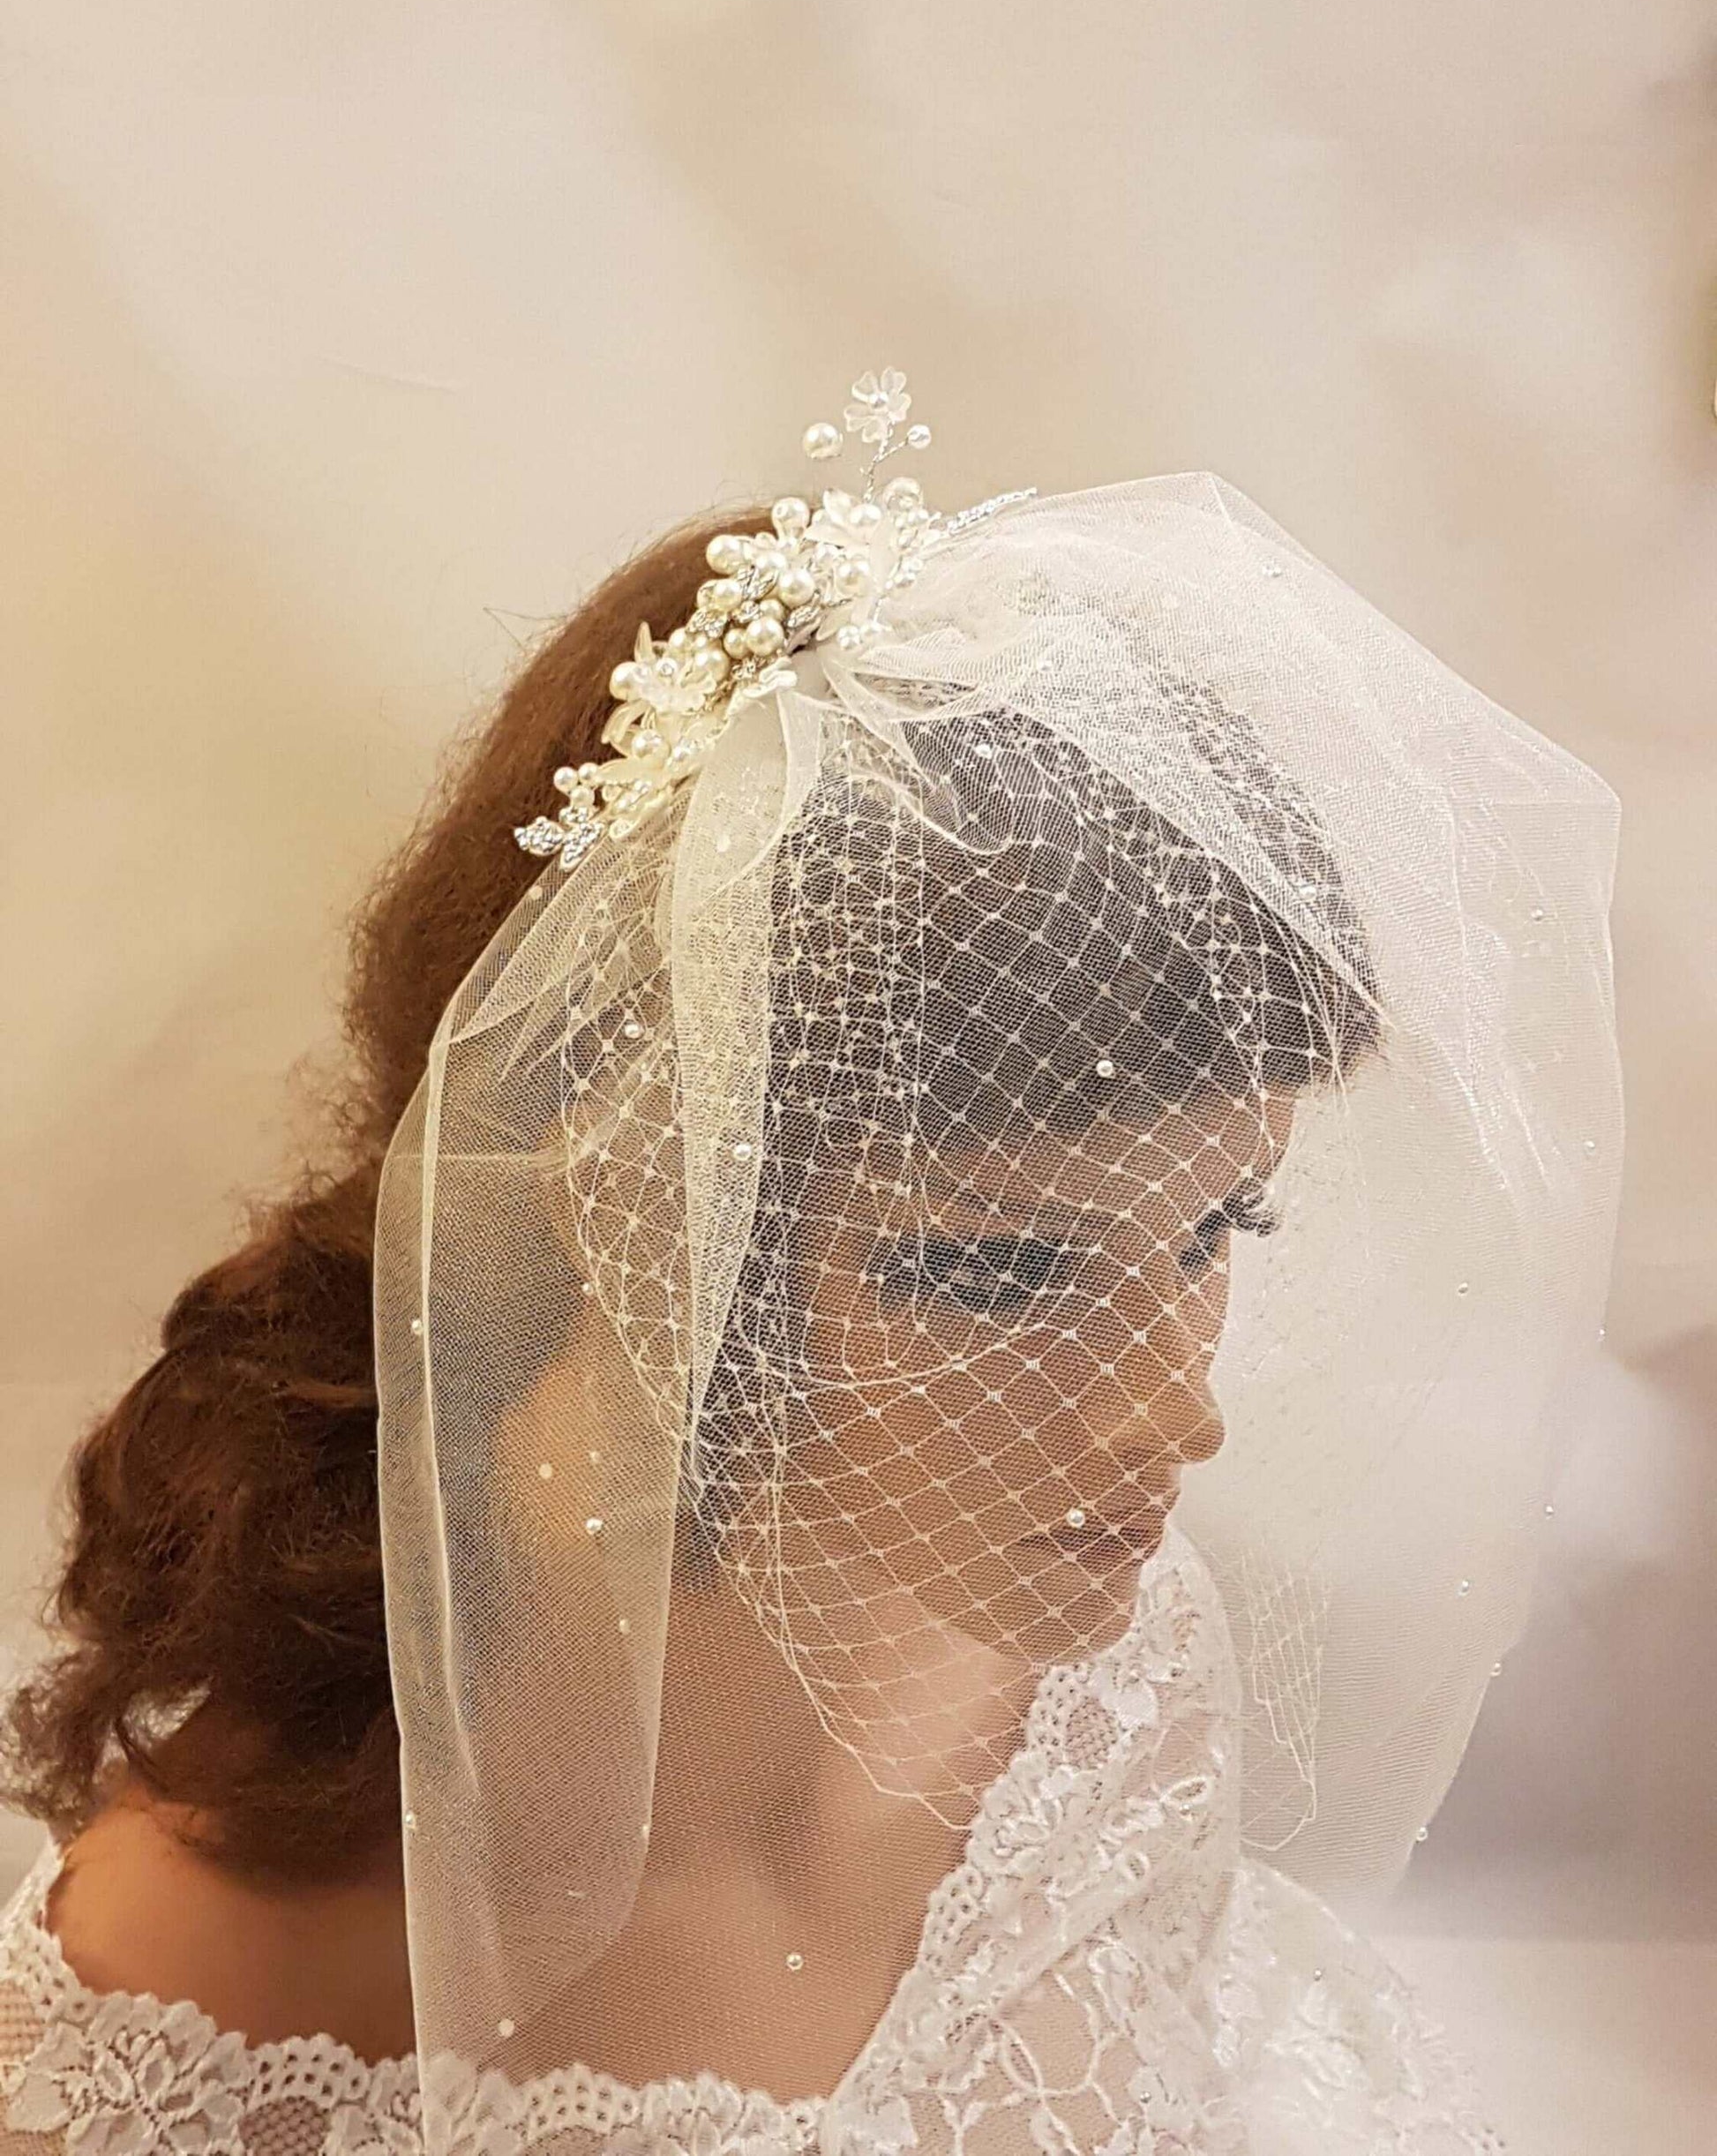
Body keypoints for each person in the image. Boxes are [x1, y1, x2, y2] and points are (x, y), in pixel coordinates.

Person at [1, 372, 1622, 2155]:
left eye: (1211, 1231)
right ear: (623, 1204)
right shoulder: (213, 1972)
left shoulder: (1101, 1687)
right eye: (997, 1273)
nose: (1168, 1414)